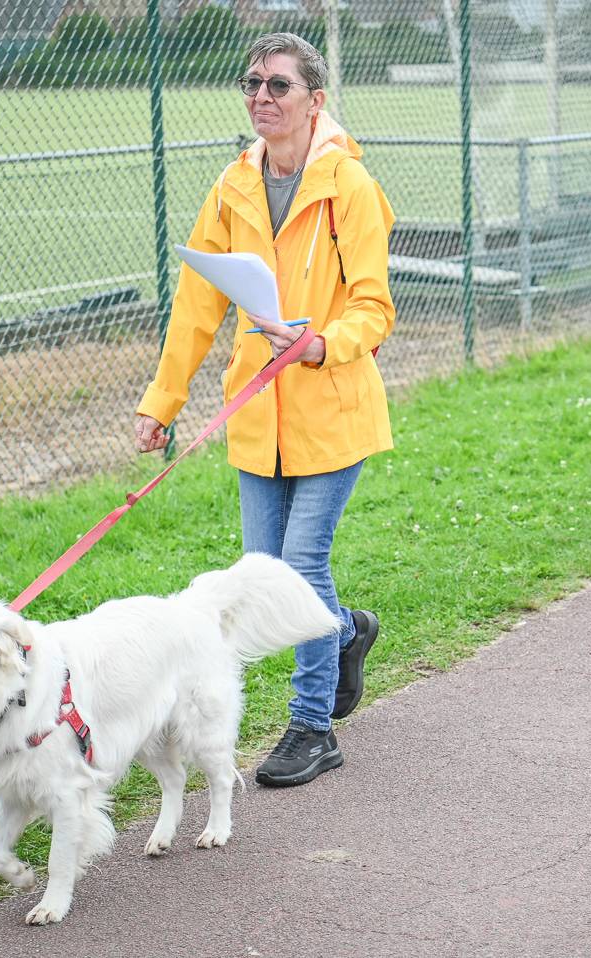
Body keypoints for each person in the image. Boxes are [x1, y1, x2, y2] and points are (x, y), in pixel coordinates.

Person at [133, 32, 395, 787]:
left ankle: (313, 726)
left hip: (333, 408)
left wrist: (319, 345)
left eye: (278, 85)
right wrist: (162, 403)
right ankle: (347, 635)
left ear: (316, 100)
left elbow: (375, 307)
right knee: (260, 574)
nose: (260, 97)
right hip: (256, 418)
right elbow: (195, 309)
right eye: (251, 83)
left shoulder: (350, 187)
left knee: (300, 569)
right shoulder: (232, 186)